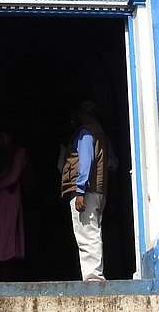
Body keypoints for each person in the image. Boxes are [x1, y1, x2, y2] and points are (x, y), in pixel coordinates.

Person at [60, 101, 109, 282]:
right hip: (98, 190)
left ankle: (93, 277)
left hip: (87, 191)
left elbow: (85, 161)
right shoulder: (100, 133)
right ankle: (93, 275)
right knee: (92, 231)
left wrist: (80, 191)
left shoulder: (86, 133)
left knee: (87, 234)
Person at [0, 129, 31, 281]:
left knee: (6, 241)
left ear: (10, 134)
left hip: (8, 202)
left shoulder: (18, 151)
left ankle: (4, 279)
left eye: (2, 135)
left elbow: (14, 176)